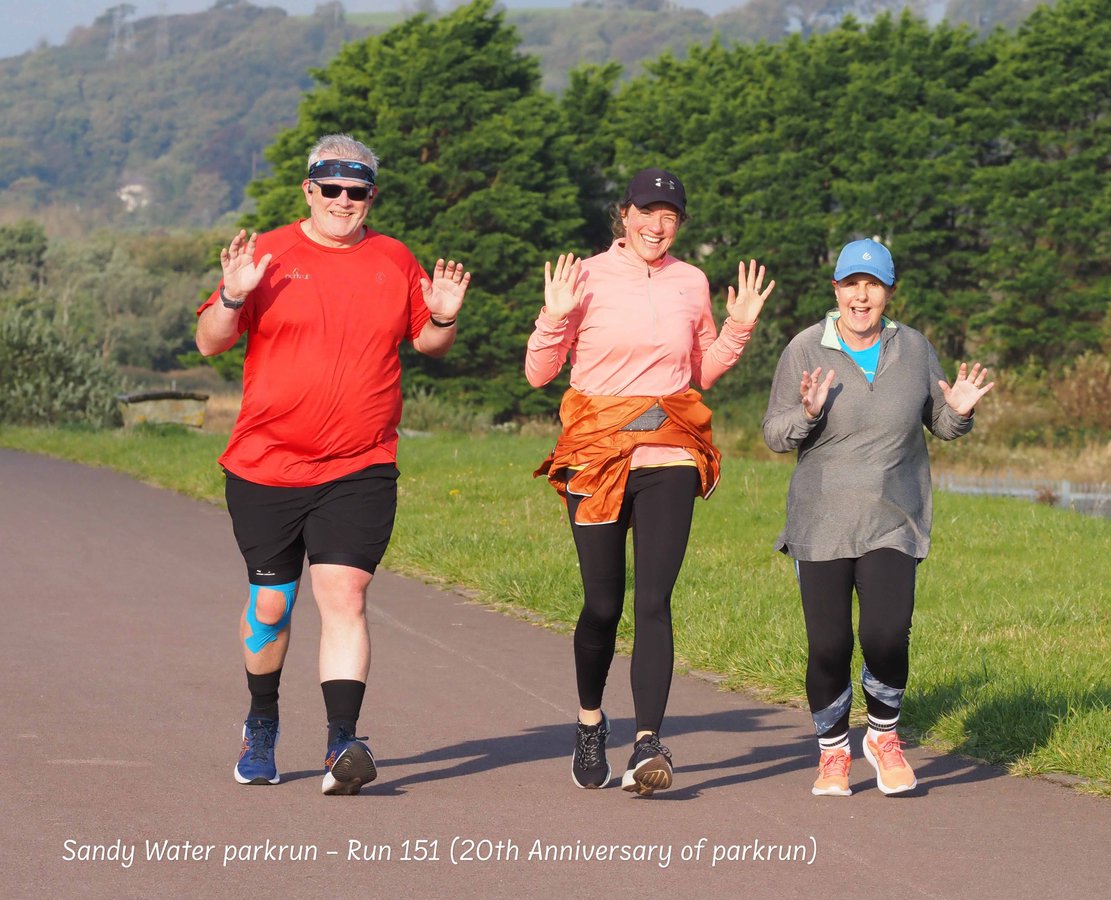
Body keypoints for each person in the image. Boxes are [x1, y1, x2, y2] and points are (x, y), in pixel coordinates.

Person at [195, 133, 470, 795]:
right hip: (265, 464)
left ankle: (342, 743)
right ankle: (262, 724)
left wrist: (444, 318)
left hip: (360, 463)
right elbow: (209, 343)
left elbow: (428, 342)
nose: (344, 202)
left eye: (358, 191)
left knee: (345, 594)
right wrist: (233, 297)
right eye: (332, 189)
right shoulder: (265, 254)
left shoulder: (392, 258)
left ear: (370, 196)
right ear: (308, 190)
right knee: (272, 604)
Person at [526, 167, 774, 795]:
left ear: (679, 223)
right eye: (647, 212)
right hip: (596, 452)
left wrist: (739, 325)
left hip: (669, 450)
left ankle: (646, 744)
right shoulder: (582, 277)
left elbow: (703, 370)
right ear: (625, 215)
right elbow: (538, 373)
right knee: (602, 605)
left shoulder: (692, 282)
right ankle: (589, 723)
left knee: (654, 602)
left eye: (669, 216)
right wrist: (555, 318)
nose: (657, 226)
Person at [762, 238, 992, 797]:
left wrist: (958, 411)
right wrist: (808, 414)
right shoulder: (803, 349)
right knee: (829, 646)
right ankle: (833, 752)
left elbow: (938, 420)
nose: (860, 296)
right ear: (835, 289)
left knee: (887, 634)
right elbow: (774, 434)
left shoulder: (914, 349)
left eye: (873, 285)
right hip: (822, 521)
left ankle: (884, 736)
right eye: (851, 284)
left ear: (888, 292)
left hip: (894, 515)